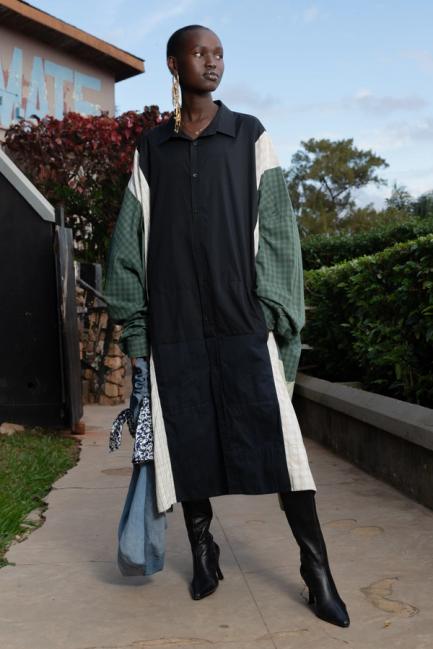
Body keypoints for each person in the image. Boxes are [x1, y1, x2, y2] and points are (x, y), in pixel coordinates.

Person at [103, 24, 350, 628]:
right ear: (174, 63)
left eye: (219, 54)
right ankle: (203, 553)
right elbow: (127, 248)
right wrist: (137, 333)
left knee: (283, 448)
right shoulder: (151, 149)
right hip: (176, 328)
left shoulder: (249, 136)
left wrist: (274, 314)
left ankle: (316, 571)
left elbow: (280, 232)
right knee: (187, 443)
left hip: (243, 323)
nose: (212, 63)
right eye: (200, 53)